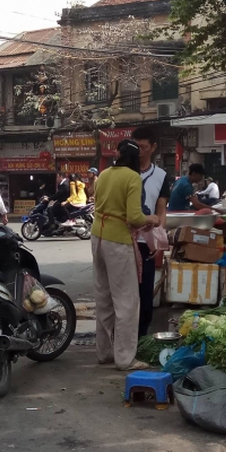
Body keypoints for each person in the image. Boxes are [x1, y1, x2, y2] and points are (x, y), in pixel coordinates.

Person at [91, 139, 160, 371]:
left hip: (97, 238)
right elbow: (134, 217)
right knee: (127, 301)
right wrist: (151, 219)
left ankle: (104, 352)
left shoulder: (103, 174)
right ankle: (125, 359)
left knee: (104, 298)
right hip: (118, 241)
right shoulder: (132, 178)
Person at [132, 125, 170, 338]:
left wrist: (159, 240)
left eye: (143, 147)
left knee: (145, 293)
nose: (139, 151)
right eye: (135, 146)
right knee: (122, 294)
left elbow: (161, 211)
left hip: (145, 243)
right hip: (123, 240)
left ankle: (141, 338)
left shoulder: (162, 176)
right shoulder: (122, 173)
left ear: (153, 147)